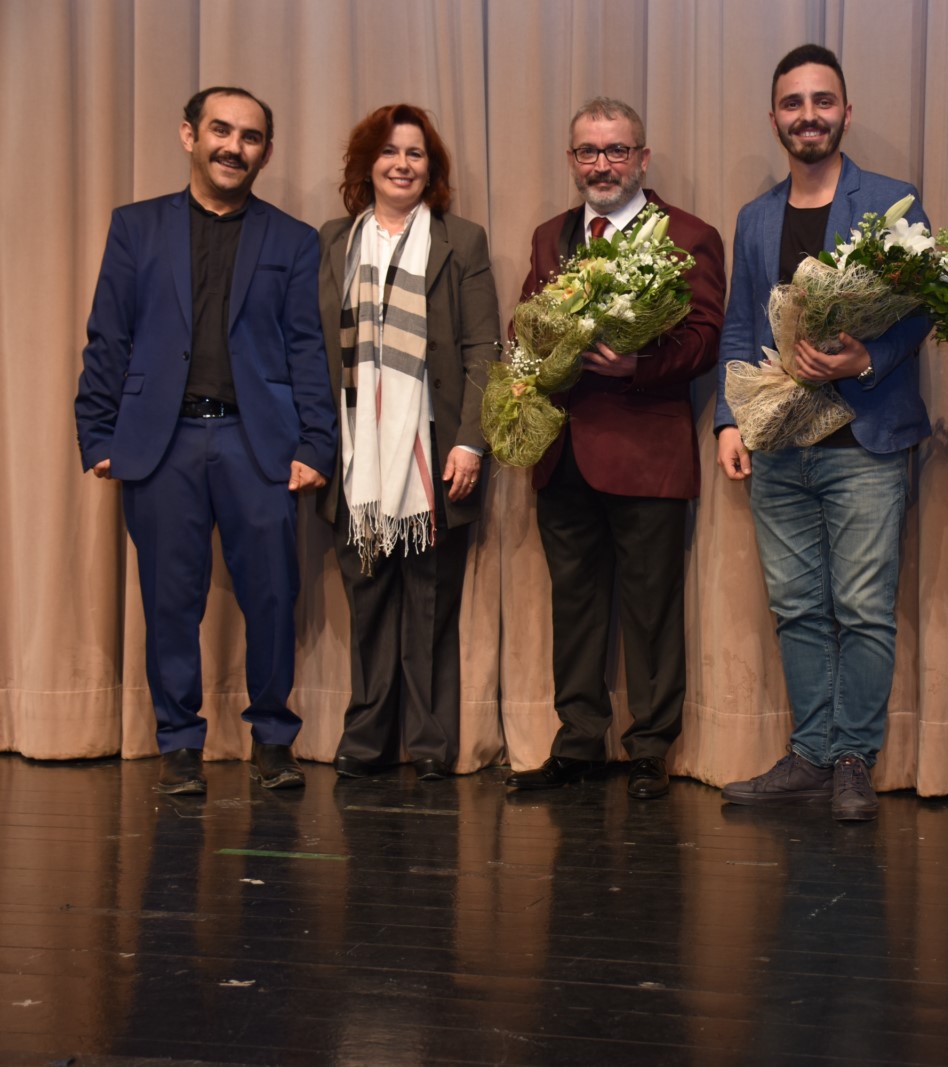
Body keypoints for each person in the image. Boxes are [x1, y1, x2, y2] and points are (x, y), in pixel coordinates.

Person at [75, 86, 336, 794]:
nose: (234, 147)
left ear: (266, 153)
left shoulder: (292, 239)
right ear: (189, 135)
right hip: (162, 444)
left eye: (250, 137)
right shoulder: (135, 227)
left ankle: (273, 739)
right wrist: (97, 432)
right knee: (170, 600)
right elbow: (108, 336)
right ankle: (179, 745)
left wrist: (315, 443)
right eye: (221, 130)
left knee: (273, 596)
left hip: (260, 444)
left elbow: (307, 348)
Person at [715, 45, 933, 822]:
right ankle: (810, 756)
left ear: (846, 111)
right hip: (778, 446)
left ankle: (851, 762)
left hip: (865, 443)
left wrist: (867, 357)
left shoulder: (893, 202)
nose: (808, 115)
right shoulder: (755, 218)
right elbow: (738, 326)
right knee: (797, 609)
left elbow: (925, 305)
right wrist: (728, 422)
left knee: (863, 609)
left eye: (822, 101)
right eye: (793, 103)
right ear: (775, 116)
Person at [505, 97, 725, 801]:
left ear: (642, 158)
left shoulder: (687, 235)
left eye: (616, 150)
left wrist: (638, 364)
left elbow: (704, 339)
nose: (602, 164)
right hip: (562, 453)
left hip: (645, 452)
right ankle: (577, 744)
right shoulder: (550, 236)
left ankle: (649, 749)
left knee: (651, 610)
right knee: (573, 606)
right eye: (588, 152)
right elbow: (524, 325)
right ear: (572, 160)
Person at [315, 104, 499, 781]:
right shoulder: (334, 239)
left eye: (415, 153)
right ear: (368, 164)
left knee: (429, 603)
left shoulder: (462, 240)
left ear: (431, 167)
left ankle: (428, 744)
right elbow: (311, 345)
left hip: (433, 451)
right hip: (355, 453)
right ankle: (365, 738)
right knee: (365, 598)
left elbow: (484, 349)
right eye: (390, 151)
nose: (402, 164)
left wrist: (471, 442)